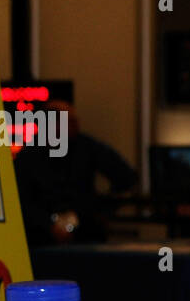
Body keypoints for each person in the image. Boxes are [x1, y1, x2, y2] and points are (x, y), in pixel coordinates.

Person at [13, 99, 138, 246]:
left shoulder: (88, 147)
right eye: (70, 122)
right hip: (41, 239)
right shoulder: (29, 155)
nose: (77, 126)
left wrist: (101, 210)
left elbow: (126, 176)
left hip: (85, 234)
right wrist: (48, 225)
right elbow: (20, 200)